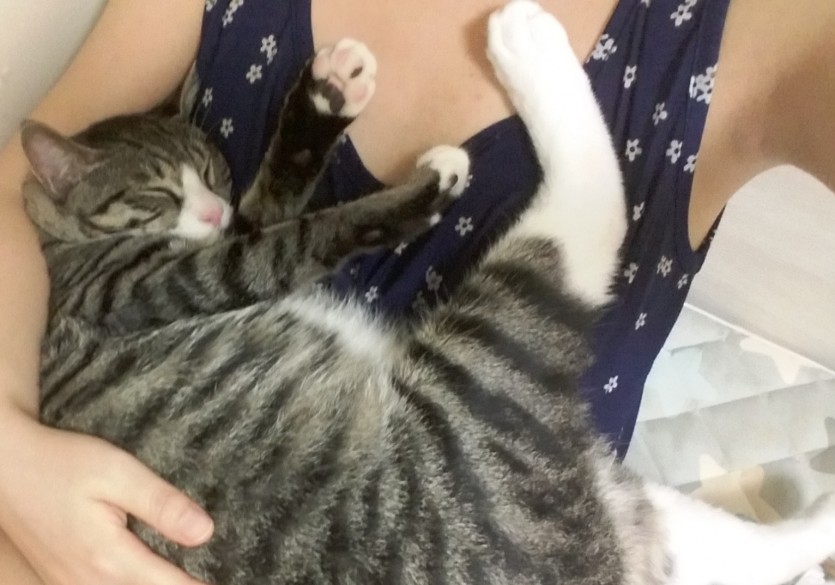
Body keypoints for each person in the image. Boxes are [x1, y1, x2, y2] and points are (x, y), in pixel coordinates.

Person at [0, 0, 832, 583]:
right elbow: (19, 190)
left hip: (392, 503)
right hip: (512, 525)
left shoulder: (770, 33)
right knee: (596, 523)